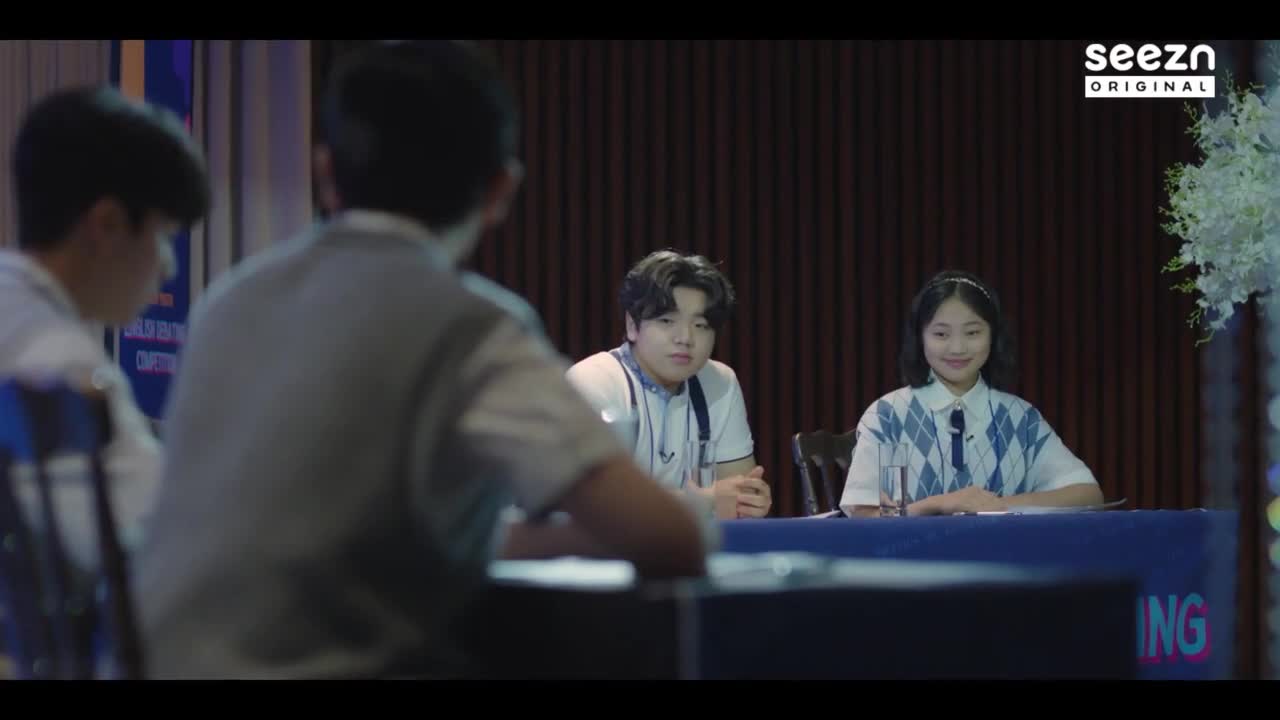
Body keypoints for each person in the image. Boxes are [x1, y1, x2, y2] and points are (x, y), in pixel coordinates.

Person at [133, 41, 710, 680]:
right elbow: (673, 540)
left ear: (325, 173)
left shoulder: (228, 303)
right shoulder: (472, 327)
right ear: (501, 190)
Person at [0, 86, 210, 568]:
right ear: (108, 225)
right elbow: (176, 552)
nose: (168, 267)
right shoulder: (64, 370)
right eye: (163, 236)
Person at [838, 270, 1103, 517]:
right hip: (915, 554)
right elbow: (863, 515)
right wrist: (941, 504)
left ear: (993, 335)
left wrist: (998, 505)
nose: (957, 348)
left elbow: (1087, 494)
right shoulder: (889, 416)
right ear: (920, 337)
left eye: (973, 332)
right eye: (941, 334)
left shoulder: (1021, 418)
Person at [566, 250, 772, 519]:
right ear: (632, 325)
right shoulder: (593, 381)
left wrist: (750, 501)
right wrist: (702, 501)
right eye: (667, 321)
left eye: (700, 325)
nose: (685, 338)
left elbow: (736, 498)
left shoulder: (720, 383)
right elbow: (590, 502)